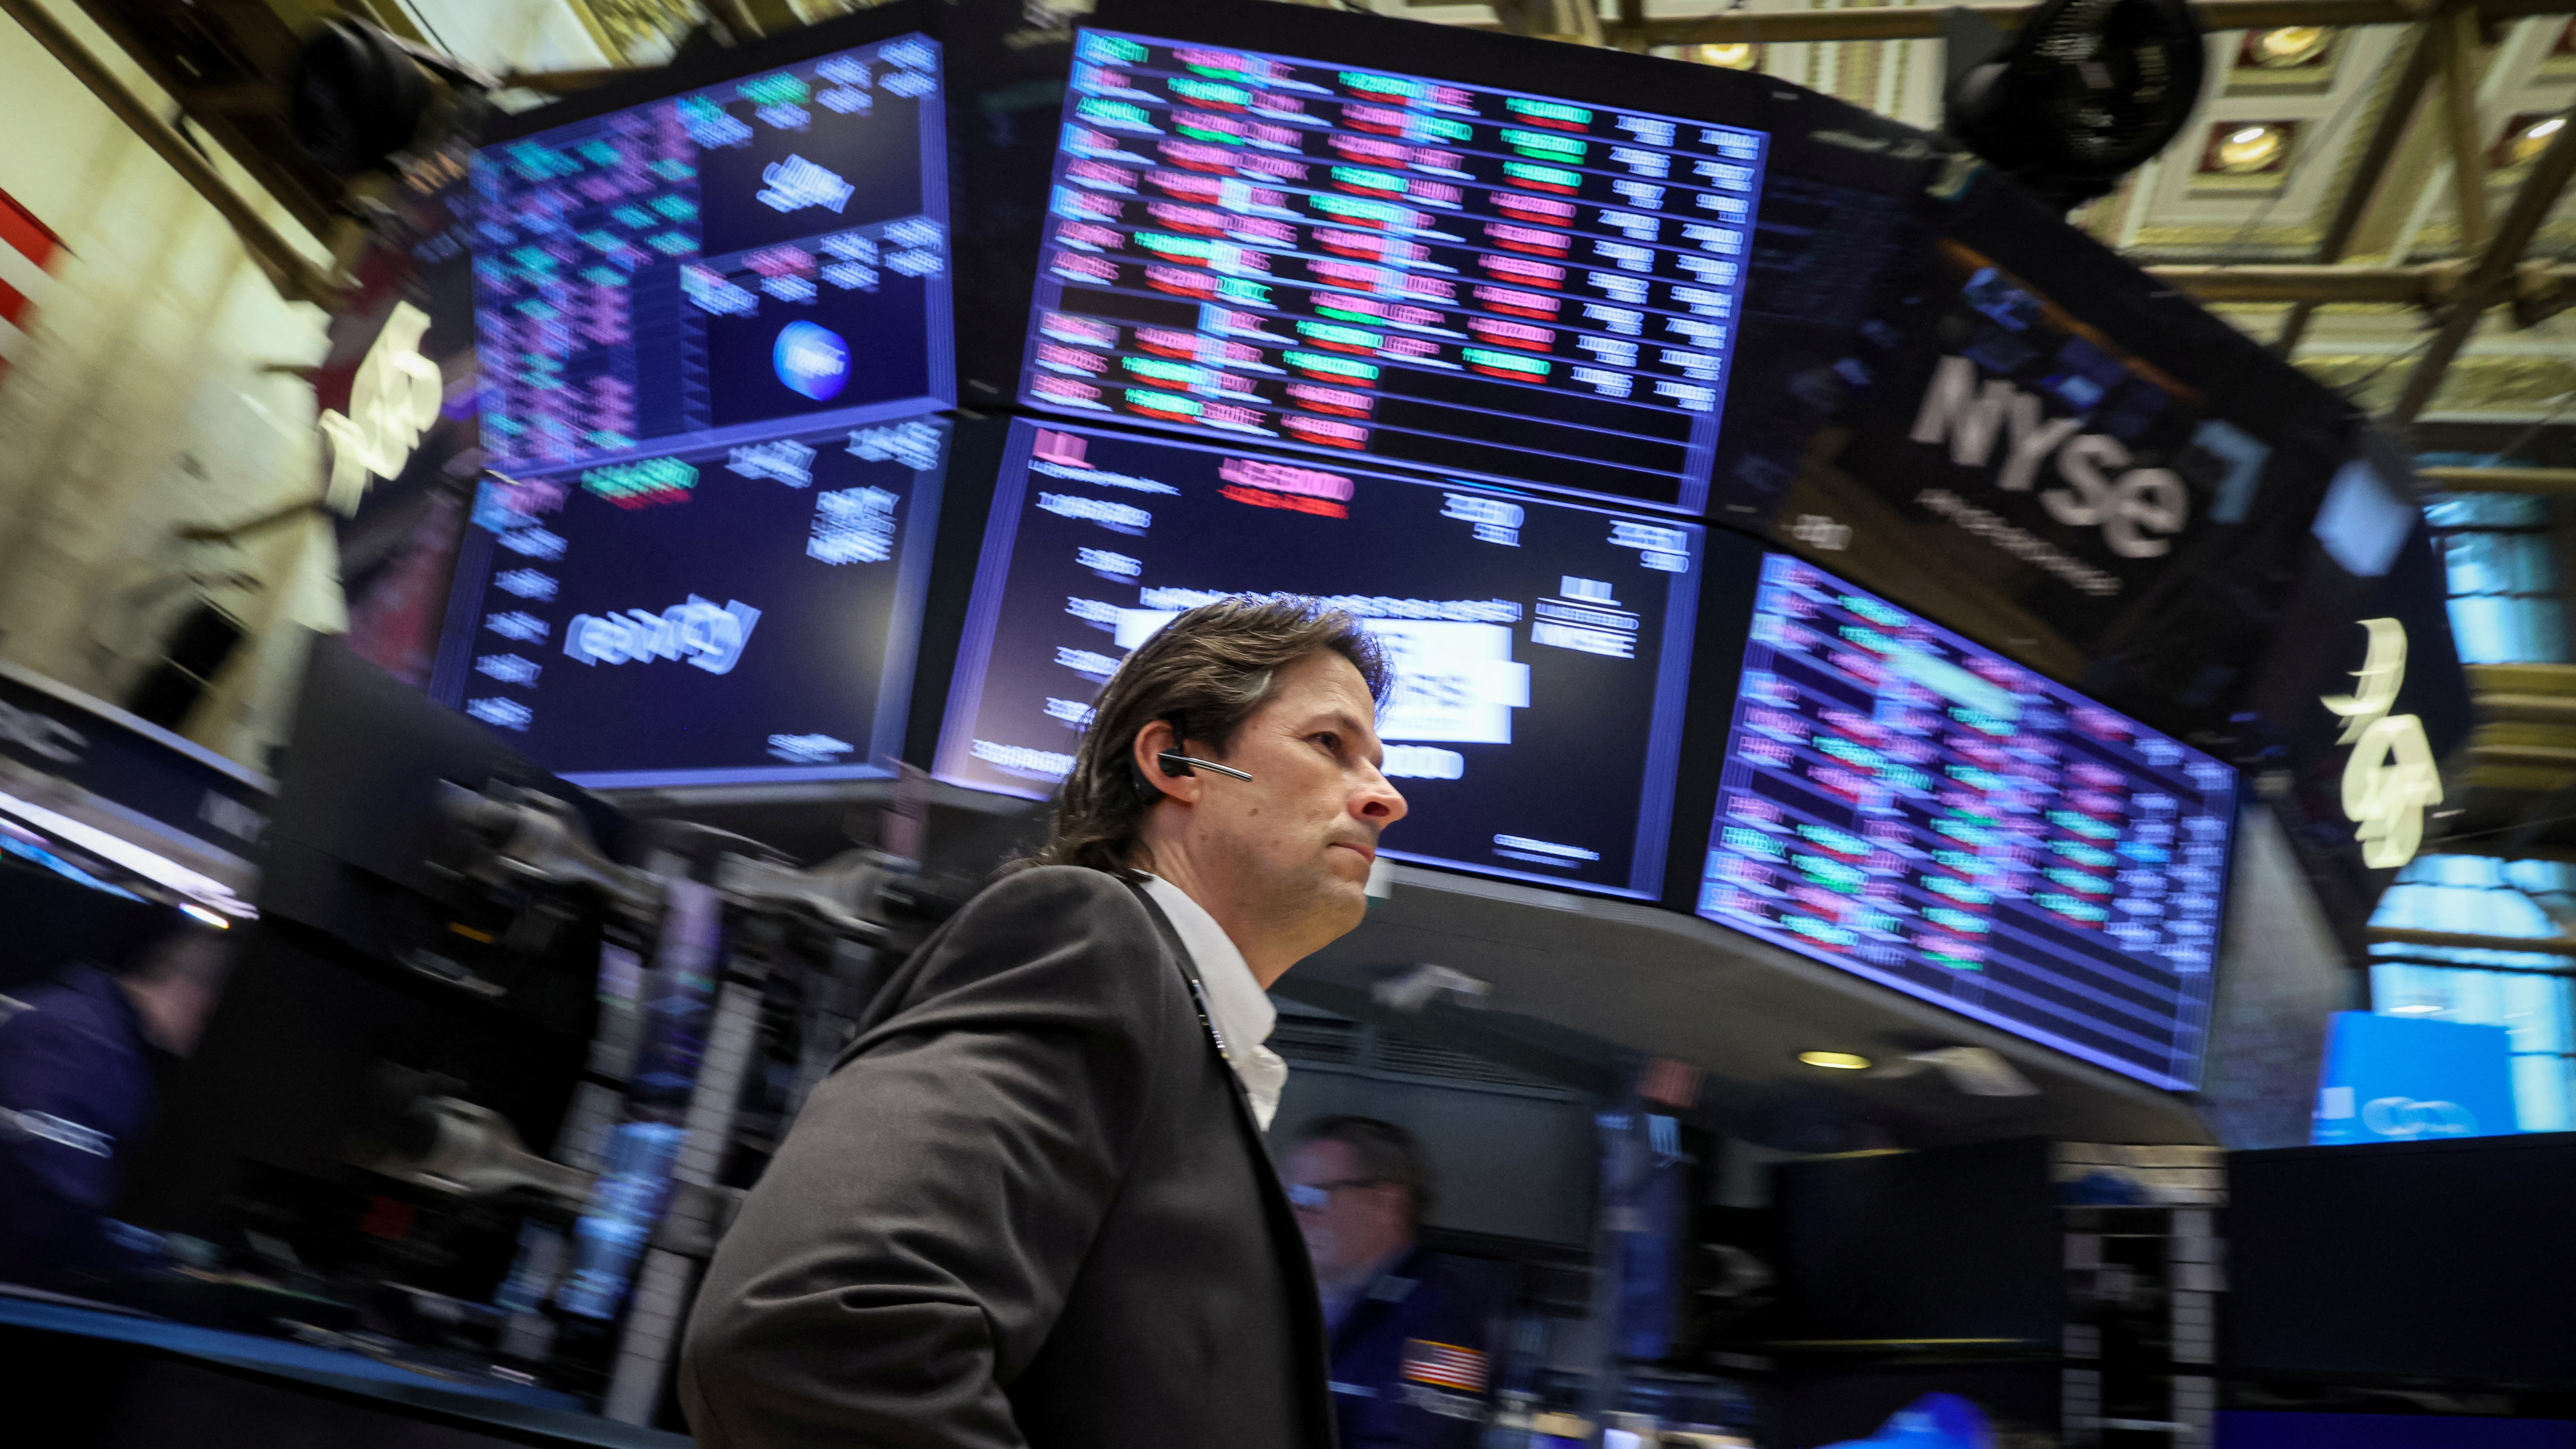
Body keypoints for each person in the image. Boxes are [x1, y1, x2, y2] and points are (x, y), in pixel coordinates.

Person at [681, 595, 1409, 1449]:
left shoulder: (1189, 1041)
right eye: (1331, 746)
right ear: (1176, 761)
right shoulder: (1087, 940)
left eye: (1378, 763)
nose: (1385, 798)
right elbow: (817, 1332)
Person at [0, 916, 231, 1287]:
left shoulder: (96, 1030)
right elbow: (48, 1207)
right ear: (201, 1000)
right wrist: (164, 1255)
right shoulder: (85, 1044)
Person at [1286, 1116, 1497, 1449]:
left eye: (1314, 1196)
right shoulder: (1291, 1306)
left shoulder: (1445, 1321)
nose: (1298, 1216)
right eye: (1290, 1196)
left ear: (1387, 1204)